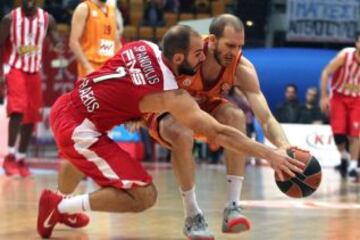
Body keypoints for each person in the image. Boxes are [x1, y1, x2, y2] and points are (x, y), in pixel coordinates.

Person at [36, 25, 304, 239]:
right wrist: (269, 154)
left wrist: (132, 108)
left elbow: (123, 82)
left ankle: (61, 200)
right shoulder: (170, 93)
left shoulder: (142, 45)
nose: (202, 58)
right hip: (79, 127)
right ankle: (58, 206)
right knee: (144, 195)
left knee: (80, 159)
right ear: (178, 58)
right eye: (198, 54)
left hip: (71, 103)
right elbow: (218, 134)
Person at [141, 14, 301, 239]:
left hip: (204, 107)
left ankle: (233, 207)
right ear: (212, 40)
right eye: (230, 45)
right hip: (169, 108)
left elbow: (265, 118)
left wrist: (285, 147)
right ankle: (192, 215)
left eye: (239, 46)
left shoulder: (241, 67)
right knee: (181, 133)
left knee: (236, 115)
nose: (235, 52)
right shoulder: (189, 51)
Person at [0, 0, 59, 178]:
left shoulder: (48, 19)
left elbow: (55, 37)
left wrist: (57, 43)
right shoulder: (10, 19)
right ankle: (9, 157)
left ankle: (21, 158)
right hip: (14, 68)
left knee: (31, 117)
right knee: (18, 111)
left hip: (34, 71)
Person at [320, 38, 360, 180]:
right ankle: (345, 157)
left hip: (357, 99)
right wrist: (324, 97)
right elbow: (326, 72)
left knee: (356, 134)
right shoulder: (345, 56)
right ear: (357, 43)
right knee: (339, 135)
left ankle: (353, 167)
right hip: (338, 97)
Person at [69, 0, 121, 78]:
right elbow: (73, 42)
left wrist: (121, 64)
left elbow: (117, 42)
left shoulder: (112, 10)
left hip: (109, 68)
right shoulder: (84, 8)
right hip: (91, 67)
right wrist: (88, 67)